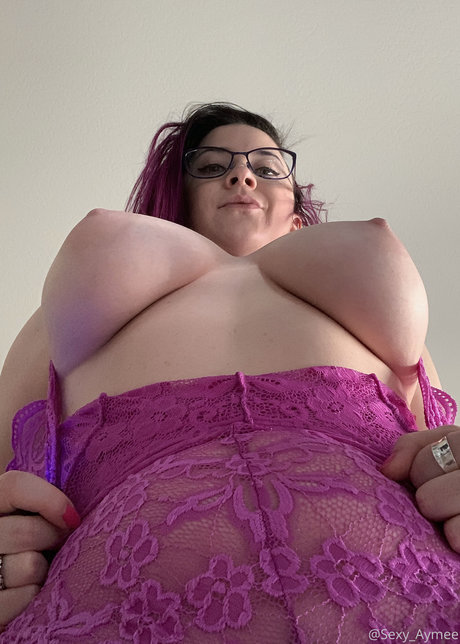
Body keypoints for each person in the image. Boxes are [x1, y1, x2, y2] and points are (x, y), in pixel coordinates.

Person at [0, 102, 459, 642]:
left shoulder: (375, 312)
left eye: (266, 168)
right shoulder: (81, 307)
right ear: (179, 203)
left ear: (297, 214)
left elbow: (439, 441)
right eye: (213, 166)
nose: (242, 175)